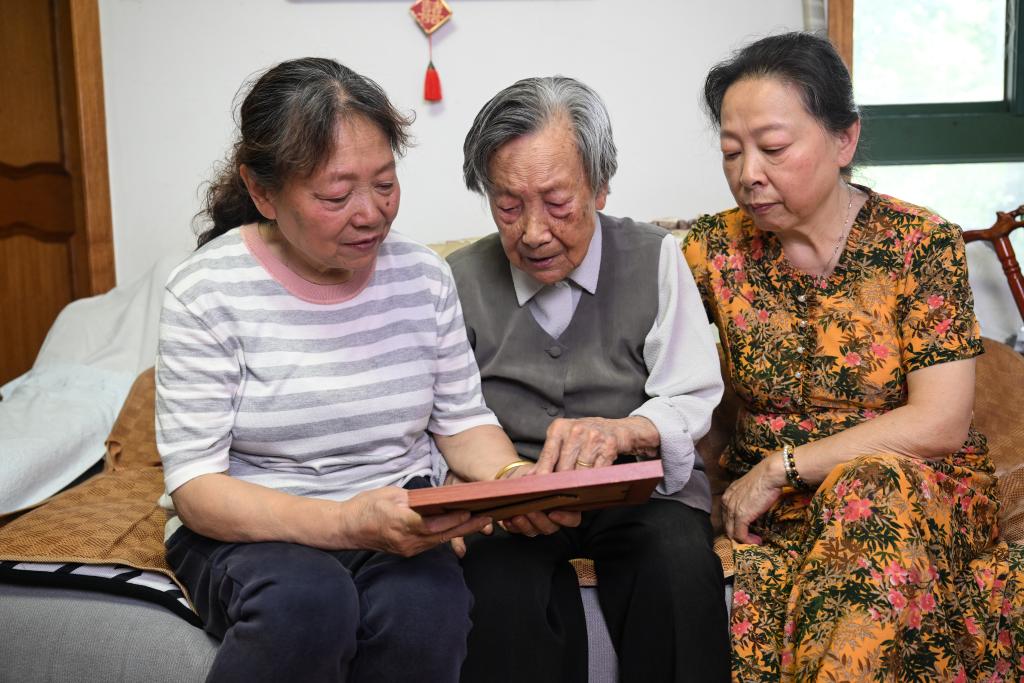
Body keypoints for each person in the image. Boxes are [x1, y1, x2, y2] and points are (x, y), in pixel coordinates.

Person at [155, 57, 530, 683]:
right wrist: (345, 523)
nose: (371, 214)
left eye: (385, 184)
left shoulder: (423, 277)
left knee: (425, 613)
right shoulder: (206, 291)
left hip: (398, 513)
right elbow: (197, 486)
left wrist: (515, 480)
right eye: (336, 195)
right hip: (252, 526)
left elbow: (462, 422)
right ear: (263, 192)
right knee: (308, 605)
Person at [683, 32, 1024, 681]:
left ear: (844, 139)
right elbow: (640, 352)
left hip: (922, 499)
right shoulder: (709, 251)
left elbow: (940, 423)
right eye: (731, 151)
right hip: (787, 521)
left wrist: (779, 468)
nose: (748, 173)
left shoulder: (920, 243)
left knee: (869, 489)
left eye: (772, 148)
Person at [448, 76, 731, 683]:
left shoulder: (656, 255)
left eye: (557, 202)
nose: (533, 232)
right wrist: (484, 482)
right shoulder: (456, 279)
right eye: (508, 205)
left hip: (640, 494)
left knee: (678, 566)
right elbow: (443, 412)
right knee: (495, 588)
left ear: (600, 186)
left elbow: (689, 391)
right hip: (513, 500)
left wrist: (624, 432)